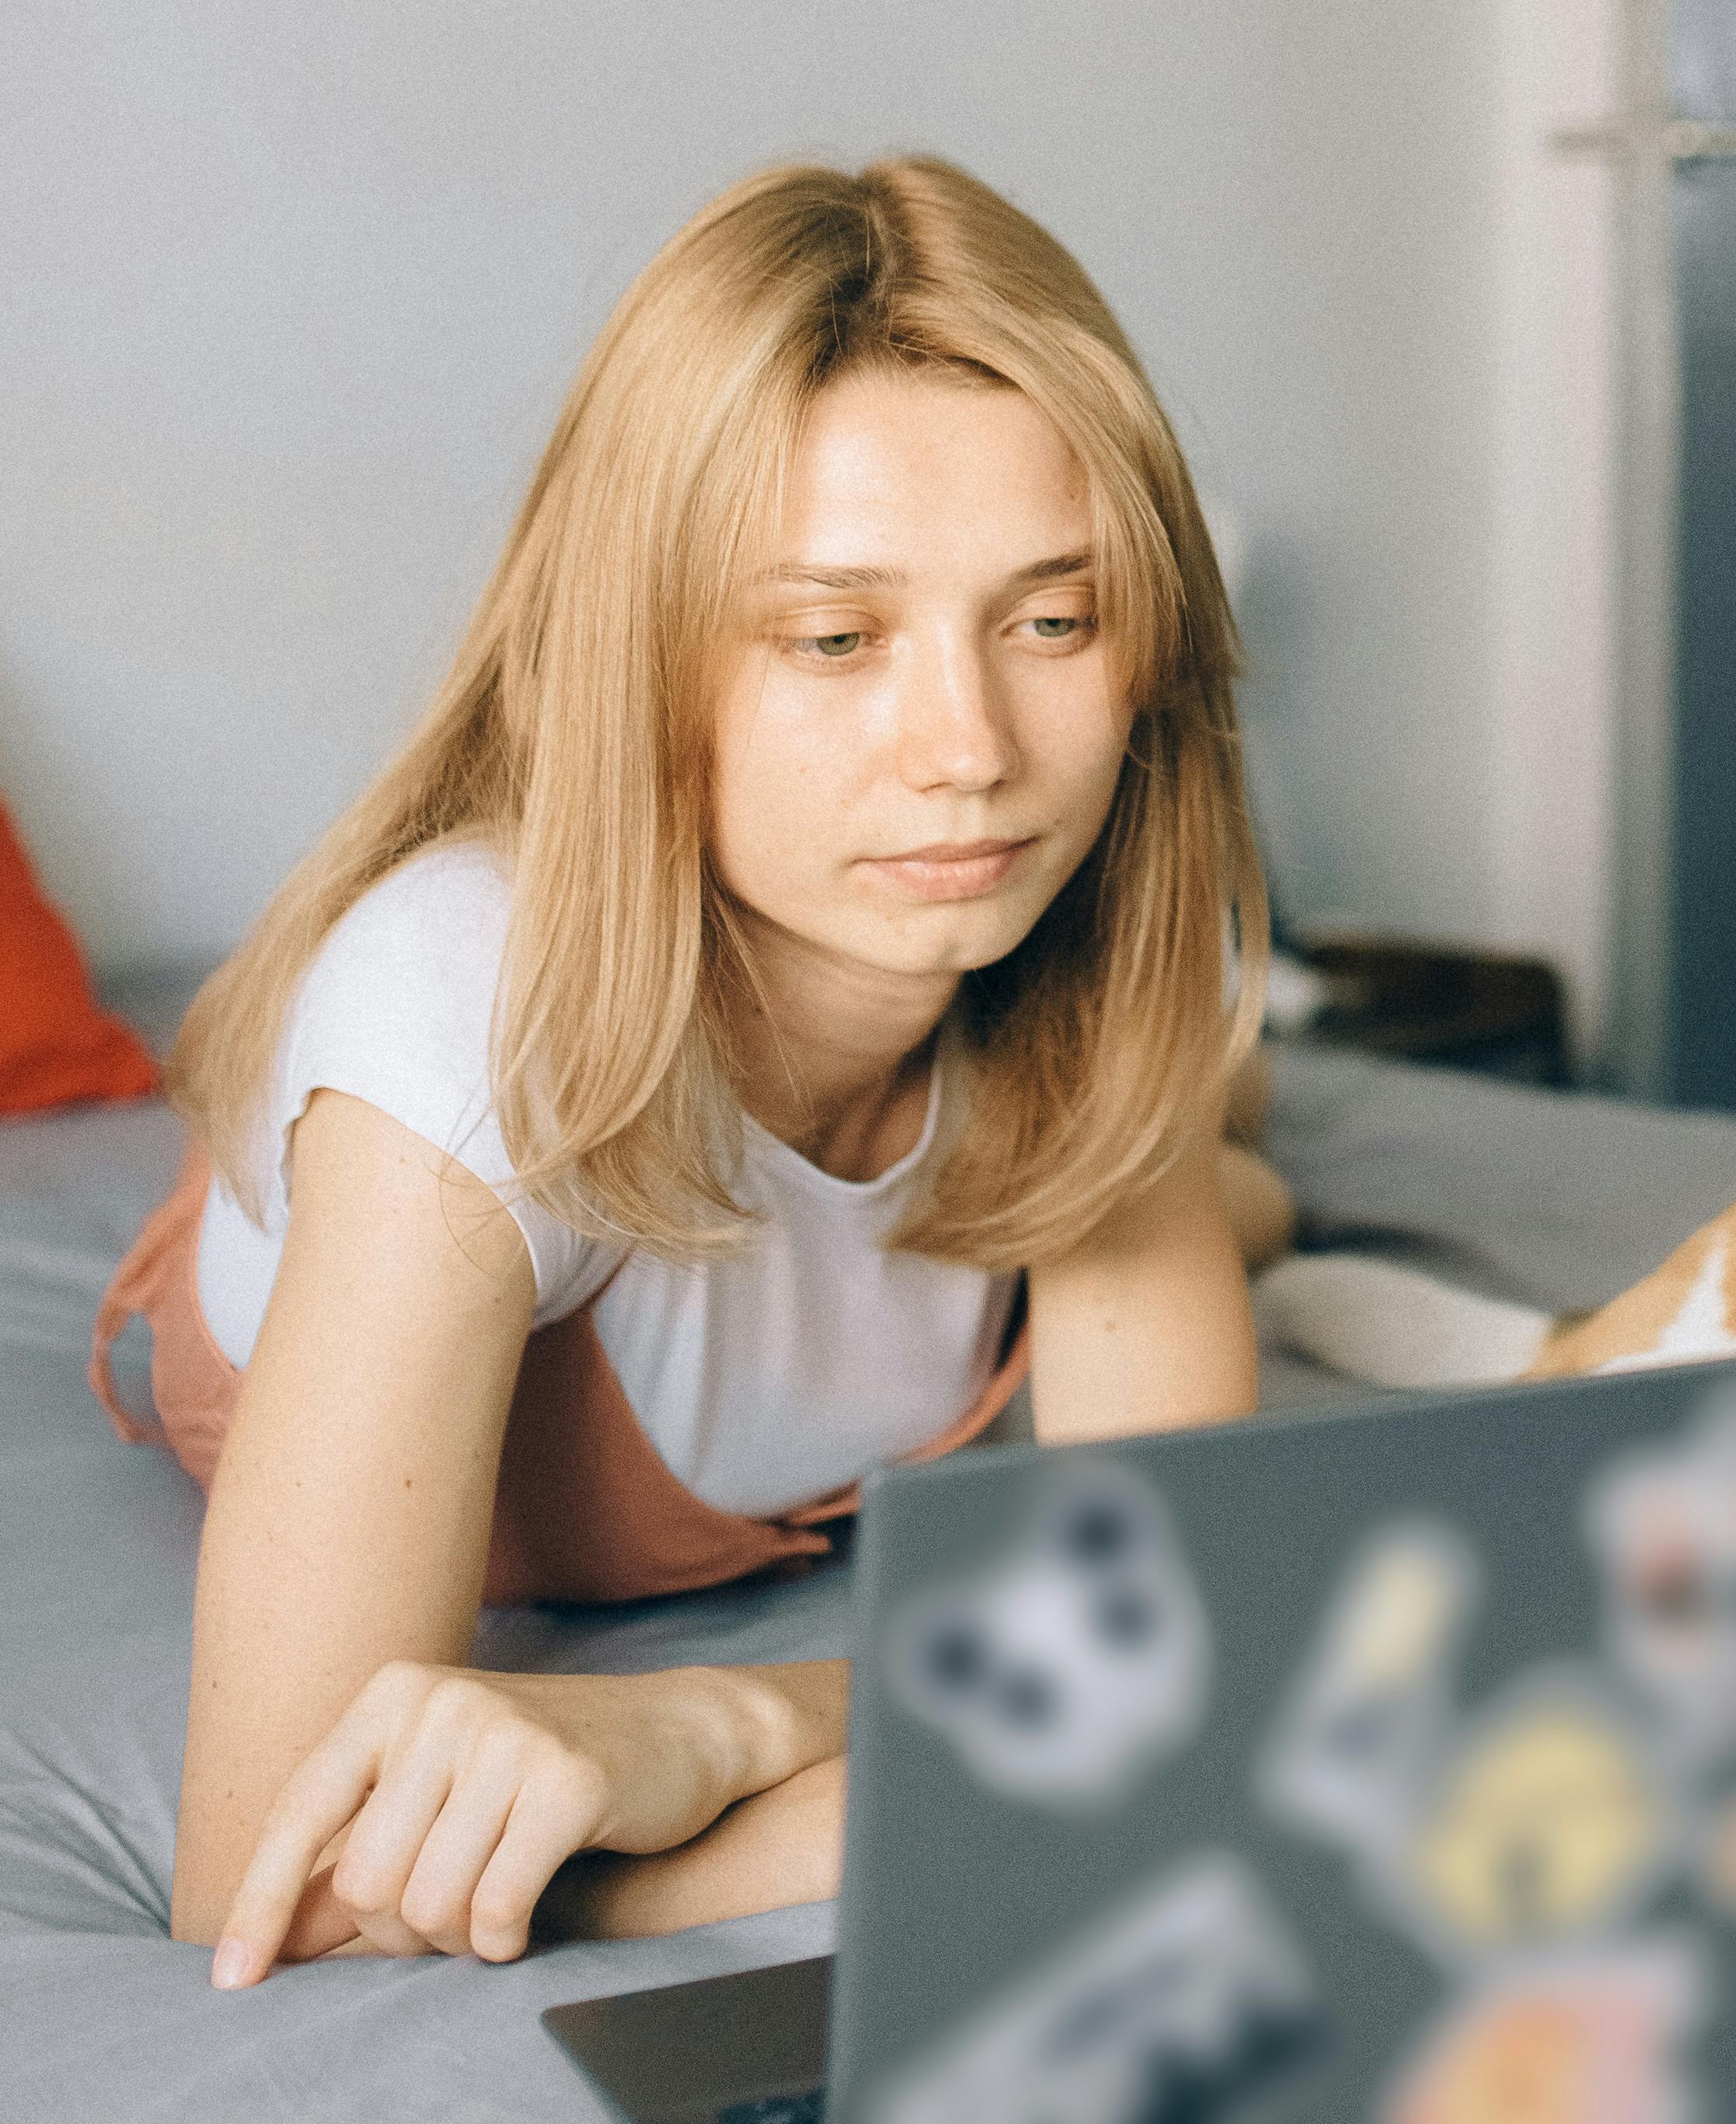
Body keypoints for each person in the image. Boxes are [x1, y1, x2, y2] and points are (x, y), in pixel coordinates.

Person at [85, 156, 1293, 1987]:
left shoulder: (1100, 913)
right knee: (1214, 1178)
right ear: (645, 661)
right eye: (832, 638)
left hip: (881, 1211)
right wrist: (635, 1865)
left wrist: (721, 1731)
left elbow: (1190, 1648)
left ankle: (1259, 1174)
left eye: (1053, 621)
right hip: (461, 1227)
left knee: (1219, 1135)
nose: (967, 753)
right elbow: (280, 1874)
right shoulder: (457, 1045)